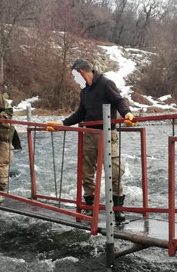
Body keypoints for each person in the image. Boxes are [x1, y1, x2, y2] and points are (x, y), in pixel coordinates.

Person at [47, 58, 135, 224]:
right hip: (89, 135)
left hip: (108, 134)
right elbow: (80, 114)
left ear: (81, 73)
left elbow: (119, 101)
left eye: (75, 77)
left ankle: (118, 209)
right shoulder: (84, 91)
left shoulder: (106, 83)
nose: (75, 81)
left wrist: (127, 114)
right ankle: (90, 206)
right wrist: (62, 124)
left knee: (114, 171)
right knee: (87, 173)